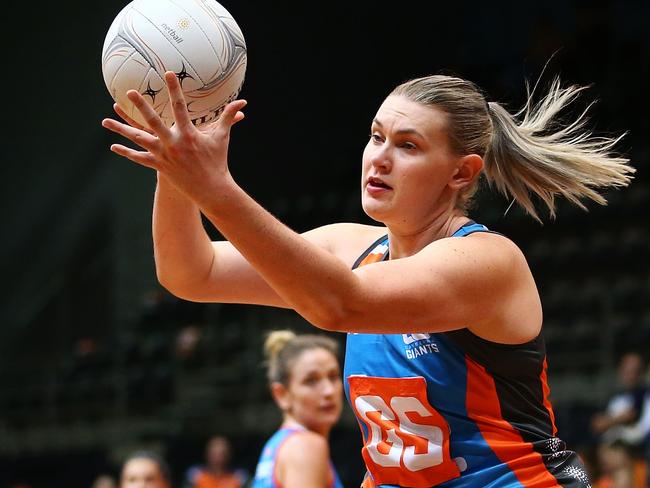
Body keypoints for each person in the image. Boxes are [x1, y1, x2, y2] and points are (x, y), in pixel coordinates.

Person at [102, 69, 634, 487]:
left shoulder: (487, 262)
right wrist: (174, 169)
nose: (380, 158)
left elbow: (340, 305)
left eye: (407, 146)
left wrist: (214, 188)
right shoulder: (349, 247)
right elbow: (191, 273)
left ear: (462, 173)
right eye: (376, 137)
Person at [251, 330, 344, 488]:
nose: (329, 391)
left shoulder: (276, 446)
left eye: (333, 376)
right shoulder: (305, 446)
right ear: (282, 395)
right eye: (311, 381)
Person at [591, 351, 649, 447]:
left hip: (636, 448)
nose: (631, 376)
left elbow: (637, 421)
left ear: (643, 372)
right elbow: (597, 424)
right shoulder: (615, 396)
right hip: (612, 446)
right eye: (627, 371)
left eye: (636, 371)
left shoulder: (645, 395)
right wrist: (620, 418)